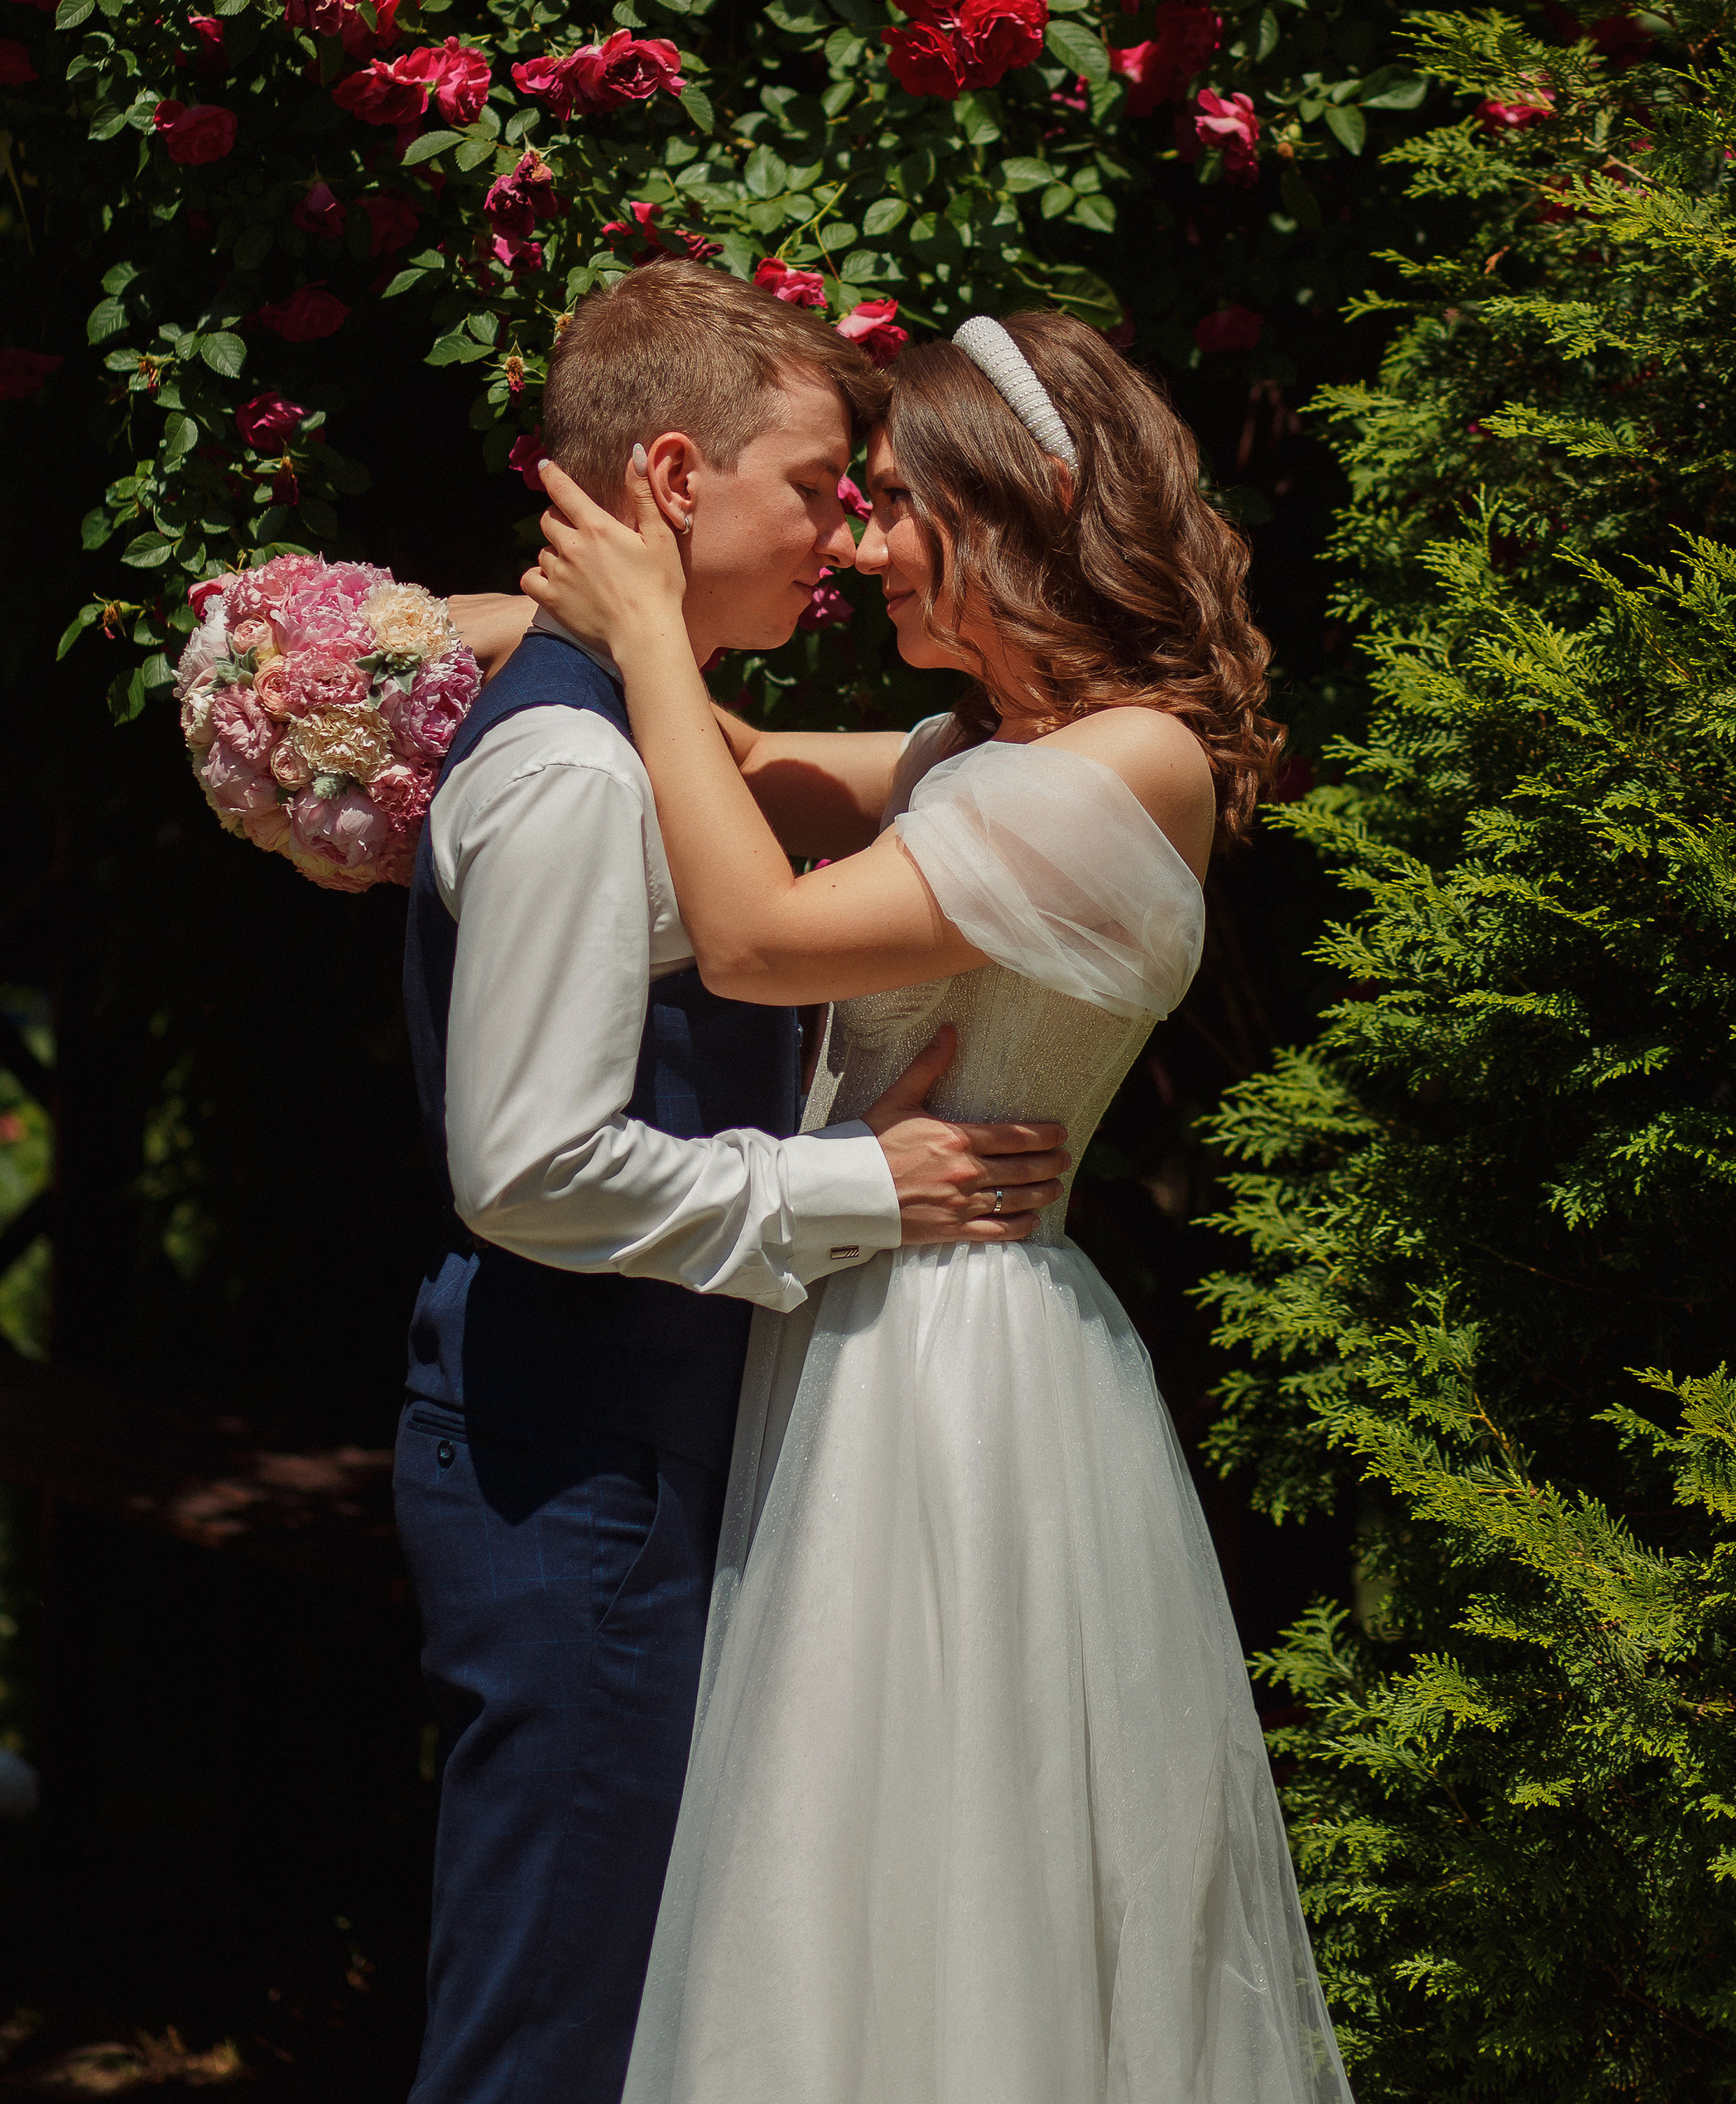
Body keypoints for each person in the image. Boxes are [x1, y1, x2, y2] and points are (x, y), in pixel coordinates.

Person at [520, 308, 1356, 2104]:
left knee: (933, 1851)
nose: (865, 545)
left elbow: (752, 936)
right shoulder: (985, 751)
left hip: (956, 1371)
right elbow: (732, 765)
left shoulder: (1126, 767)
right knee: (830, 1856)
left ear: (1027, 503)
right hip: (861, 1304)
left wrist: (652, 638)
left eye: (899, 506)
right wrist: (457, 630)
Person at [398, 262, 1075, 2104]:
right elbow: (528, 1173)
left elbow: (877, 785)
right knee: (548, 2024)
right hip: (574, 1462)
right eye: (815, 485)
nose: (839, 538)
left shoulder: (651, 741)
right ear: (675, 477)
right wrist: (860, 1186)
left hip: (620, 1446)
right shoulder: (569, 776)